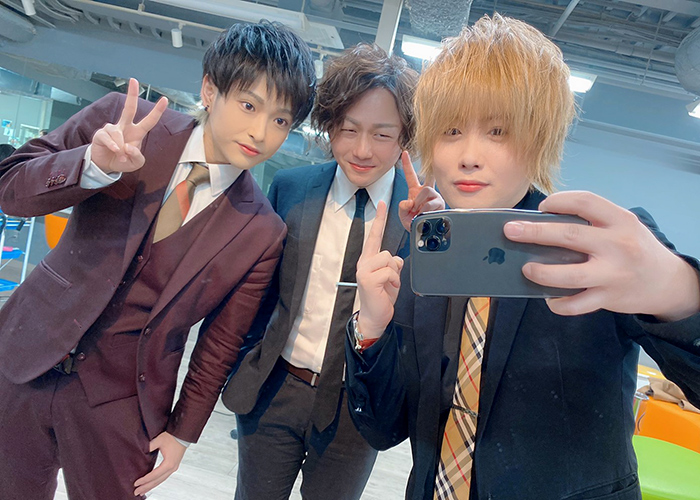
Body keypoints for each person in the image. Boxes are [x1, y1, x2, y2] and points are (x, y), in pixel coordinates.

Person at [346, 14, 700, 500]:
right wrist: (370, 329)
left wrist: (682, 294)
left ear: (540, 139)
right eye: (451, 130)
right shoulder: (429, 257)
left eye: (498, 131)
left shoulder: (597, 247)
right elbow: (385, 428)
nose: (469, 156)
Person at [0, 21, 315, 500]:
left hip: (124, 400)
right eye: (249, 105)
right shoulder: (124, 123)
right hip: (24, 356)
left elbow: (220, 342)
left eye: (281, 121)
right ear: (210, 89)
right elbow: (11, 186)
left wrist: (184, 431)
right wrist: (91, 166)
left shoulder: (262, 231)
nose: (260, 132)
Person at [222, 43, 439, 500]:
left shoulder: (424, 215)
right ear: (329, 125)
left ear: (405, 137)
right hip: (276, 388)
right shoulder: (291, 188)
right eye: (348, 129)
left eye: (382, 134)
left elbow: (427, 323)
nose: (362, 150)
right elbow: (258, 292)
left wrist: (433, 237)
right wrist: (245, 362)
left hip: (357, 406)